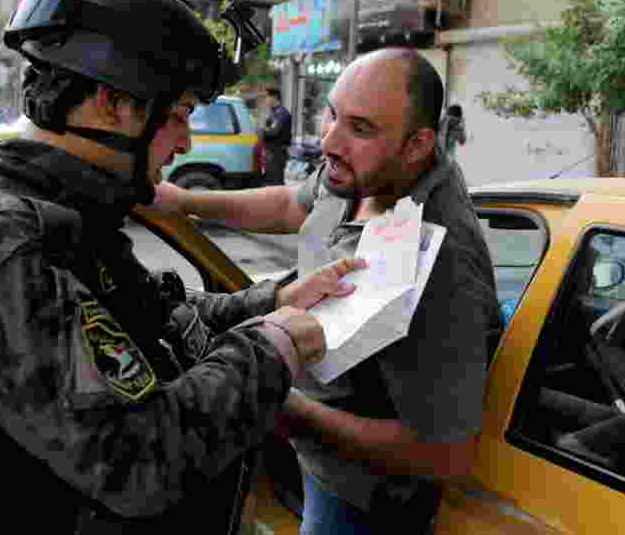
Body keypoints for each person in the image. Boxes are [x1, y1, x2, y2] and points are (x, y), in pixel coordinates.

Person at [0, 0, 368, 535]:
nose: (187, 140)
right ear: (115, 104)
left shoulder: (70, 219)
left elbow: (160, 320)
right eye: (181, 114)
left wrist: (277, 298)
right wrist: (276, 346)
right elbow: (135, 460)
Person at [150, 47, 502, 534]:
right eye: (332, 113)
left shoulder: (442, 266)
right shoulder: (368, 168)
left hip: (356, 496)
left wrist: (284, 404)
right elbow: (293, 205)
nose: (329, 141)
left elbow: (444, 456)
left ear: (418, 144)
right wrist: (185, 201)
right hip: (310, 450)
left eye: (360, 127)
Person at [259, 87, 292, 186]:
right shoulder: (274, 113)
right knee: (271, 181)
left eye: (267, 97)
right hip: (271, 153)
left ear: (274, 98)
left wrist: (261, 130)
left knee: (275, 183)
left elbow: (273, 131)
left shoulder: (281, 113)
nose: (266, 100)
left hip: (276, 153)